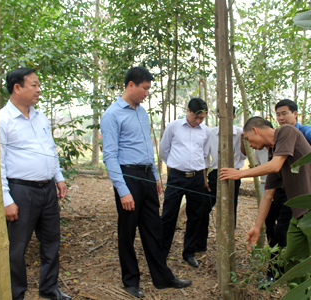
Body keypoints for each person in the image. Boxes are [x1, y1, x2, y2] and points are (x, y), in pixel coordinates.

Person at [100, 66, 191, 298]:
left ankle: (163, 277)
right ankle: (130, 280)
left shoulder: (141, 112)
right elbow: (110, 155)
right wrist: (122, 191)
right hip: (127, 177)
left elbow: (146, 146)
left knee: (153, 228)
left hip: (147, 177)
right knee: (128, 231)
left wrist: (155, 176)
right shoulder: (112, 114)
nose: (147, 93)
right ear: (131, 85)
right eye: (145, 88)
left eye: (149, 88)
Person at [220, 116, 311, 284]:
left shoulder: (286, 131)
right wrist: (256, 227)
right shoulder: (273, 154)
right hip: (298, 214)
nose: (250, 145)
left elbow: (276, 165)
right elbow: (268, 195)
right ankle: (300, 295)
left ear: (255, 130)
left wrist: (239, 173)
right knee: (291, 260)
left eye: (248, 139)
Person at [0, 68, 71, 300]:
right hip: (21, 191)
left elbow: (49, 150)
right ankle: (16, 294)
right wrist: (6, 199)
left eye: (38, 85)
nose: (39, 90)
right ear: (17, 88)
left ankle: (49, 288)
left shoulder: (39, 116)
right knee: (16, 248)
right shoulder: (2, 119)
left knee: (51, 242)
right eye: (34, 85)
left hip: (47, 189)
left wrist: (58, 177)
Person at [262, 99, 311, 282]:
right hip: (285, 190)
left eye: (285, 113)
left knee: (292, 234)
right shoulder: (278, 137)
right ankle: (287, 274)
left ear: (295, 114)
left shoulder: (297, 130)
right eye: (278, 114)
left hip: (303, 193)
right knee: (275, 230)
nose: (281, 117)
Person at [160, 98, 211, 268]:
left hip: (196, 178)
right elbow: (164, 151)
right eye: (196, 117)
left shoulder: (206, 131)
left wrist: (202, 177)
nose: (198, 121)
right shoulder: (173, 127)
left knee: (195, 215)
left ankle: (189, 252)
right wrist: (176, 166)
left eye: (202, 119)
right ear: (188, 110)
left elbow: (205, 155)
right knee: (168, 215)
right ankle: (162, 252)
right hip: (176, 177)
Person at [196, 107, 246, 252]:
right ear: (218, 116)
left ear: (234, 116)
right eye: (221, 115)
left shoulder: (239, 133)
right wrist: (204, 177)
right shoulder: (211, 133)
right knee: (204, 207)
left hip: (233, 175)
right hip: (215, 175)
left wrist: (243, 141)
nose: (224, 118)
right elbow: (205, 156)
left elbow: (243, 156)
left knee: (231, 209)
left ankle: (228, 244)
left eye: (228, 115)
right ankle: (200, 245)